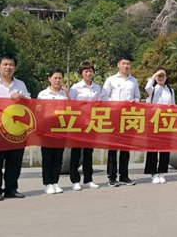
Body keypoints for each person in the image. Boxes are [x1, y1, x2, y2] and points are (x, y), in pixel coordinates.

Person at [0, 53, 30, 200]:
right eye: (5, 64)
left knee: (15, 160)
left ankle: (11, 189)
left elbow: (30, 103)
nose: (8, 67)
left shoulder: (20, 85)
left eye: (11, 65)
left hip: (17, 129)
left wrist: (22, 97)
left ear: (15, 68)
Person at [101, 55, 140, 187]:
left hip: (128, 118)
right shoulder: (111, 80)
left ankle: (124, 176)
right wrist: (116, 104)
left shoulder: (133, 81)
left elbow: (137, 97)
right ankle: (112, 177)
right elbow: (104, 96)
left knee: (125, 148)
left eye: (128, 64)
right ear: (118, 65)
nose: (126, 66)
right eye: (123, 63)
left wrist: (134, 101)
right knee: (113, 148)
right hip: (114, 117)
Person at [68, 61, 102, 190]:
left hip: (91, 123)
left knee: (88, 153)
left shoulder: (97, 87)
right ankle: (75, 180)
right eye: (86, 71)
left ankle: (88, 179)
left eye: (90, 71)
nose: (88, 74)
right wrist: (79, 104)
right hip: (78, 123)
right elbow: (70, 104)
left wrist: (100, 102)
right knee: (76, 153)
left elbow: (101, 103)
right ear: (81, 73)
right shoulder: (75, 88)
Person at [37, 68, 69, 195]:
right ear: (49, 79)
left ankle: (55, 182)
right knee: (47, 157)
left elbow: (70, 109)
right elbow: (38, 111)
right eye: (55, 78)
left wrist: (67, 95)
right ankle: (47, 183)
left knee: (58, 156)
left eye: (60, 78)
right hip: (47, 128)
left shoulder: (64, 94)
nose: (57, 80)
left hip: (61, 128)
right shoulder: (43, 94)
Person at [144, 67, 175, 184]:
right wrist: (155, 74)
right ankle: (153, 172)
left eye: (163, 76)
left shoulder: (170, 90)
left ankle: (162, 171)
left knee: (165, 148)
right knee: (153, 147)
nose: (161, 78)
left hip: (166, 120)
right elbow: (147, 87)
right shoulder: (153, 89)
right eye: (159, 76)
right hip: (154, 119)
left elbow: (174, 104)